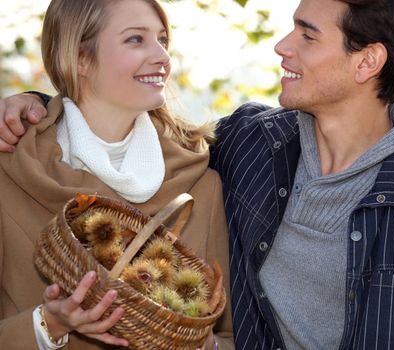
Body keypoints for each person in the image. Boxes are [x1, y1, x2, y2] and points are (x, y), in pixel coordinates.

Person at [2, 0, 394, 349]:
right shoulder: (250, 146)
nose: (283, 46)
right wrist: (37, 107)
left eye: (307, 34)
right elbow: (111, 126)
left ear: (367, 62)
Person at [0, 0, 233, 349]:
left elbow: (225, 337)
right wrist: (48, 325)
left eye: (162, 40)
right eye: (136, 39)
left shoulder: (202, 181)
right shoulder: (10, 173)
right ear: (80, 58)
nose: (162, 57)